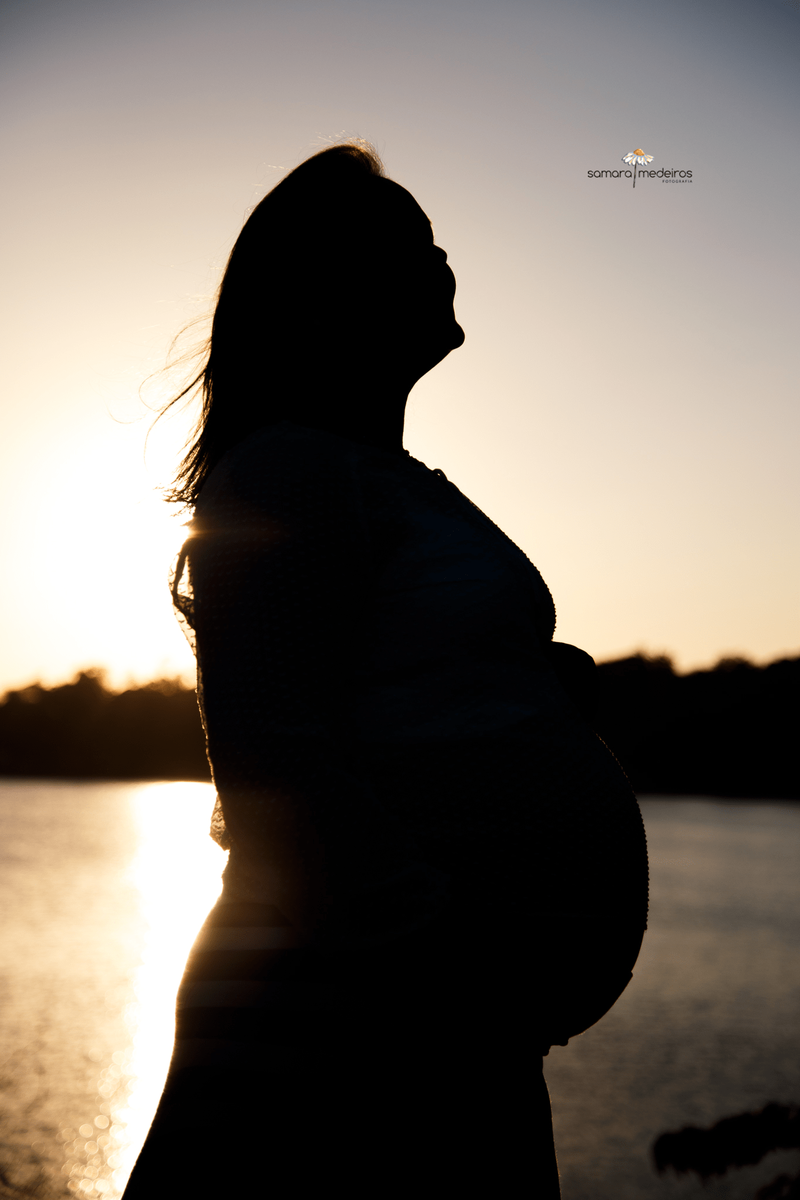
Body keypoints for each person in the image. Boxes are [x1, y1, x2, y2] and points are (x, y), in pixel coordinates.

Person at [123, 141, 648, 1198]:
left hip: (411, 1024)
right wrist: (448, 972)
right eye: (412, 243)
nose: (444, 259)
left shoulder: (364, 478)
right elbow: (278, 773)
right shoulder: (293, 468)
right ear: (333, 288)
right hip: (345, 1028)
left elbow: (379, 684)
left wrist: (535, 688)